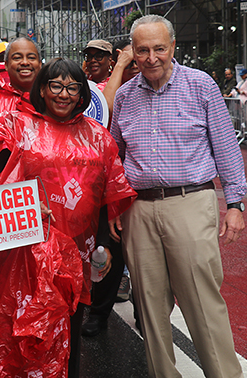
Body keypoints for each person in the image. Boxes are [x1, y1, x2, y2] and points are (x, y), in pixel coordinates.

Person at [0, 57, 136, 376]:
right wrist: (20, 204)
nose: (64, 94)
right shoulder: (19, 126)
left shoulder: (97, 136)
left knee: (69, 324)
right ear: (42, 90)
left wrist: (104, 245)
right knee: (23, 325)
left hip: (78, 250)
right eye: (56, 86)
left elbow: (107, 195)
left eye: (72, 87)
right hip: (28, 249)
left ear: (82, 94)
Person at [110, 14, 247, 378]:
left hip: (191, 203)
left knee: (203, 302)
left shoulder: (200, 85)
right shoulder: (124, 96)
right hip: (138, 209)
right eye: (143, 50)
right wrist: (114, 205)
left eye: (159, 48)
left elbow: (226, 147)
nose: (151, 57)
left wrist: (235, 204)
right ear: (133, 52)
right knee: (149, 306)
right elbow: (115, 156)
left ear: (172, 46)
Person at [83, 38, 140, 337]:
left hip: (142, 184)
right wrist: (119, 67)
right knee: (108, 250)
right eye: (89, 56)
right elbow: (105, 108)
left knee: (146, 257)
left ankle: (145, 313)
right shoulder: (95, 90)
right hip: (107, 186)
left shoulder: (147, 86)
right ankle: (98, 314)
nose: (137, 64)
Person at [0, 37, 41, 121]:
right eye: (17, 58)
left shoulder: (52, 101)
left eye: (31, 57)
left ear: (40, 64)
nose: (25, 62)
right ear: (6, 65)